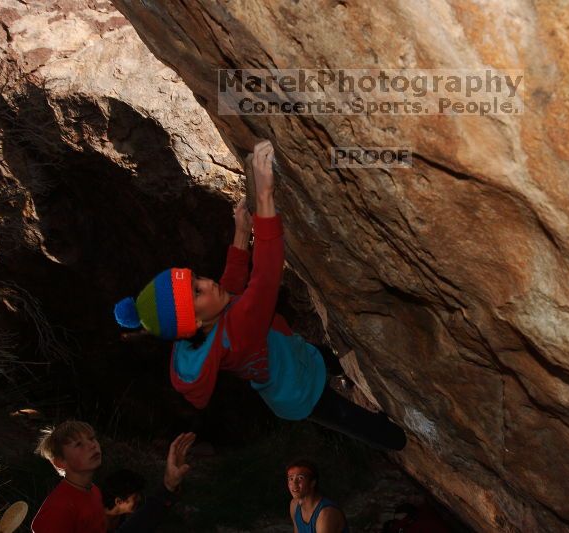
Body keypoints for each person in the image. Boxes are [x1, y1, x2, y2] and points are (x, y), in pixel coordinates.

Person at [113, 140, 406, 451]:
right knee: (369, 428)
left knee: (326, 359)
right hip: (300, 393)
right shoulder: (237, 332)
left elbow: (231, 283)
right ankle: (395, 439)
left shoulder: (204, 329)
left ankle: (343, 374)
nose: (208, 283)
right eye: (197, 291)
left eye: (197, 278)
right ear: (194, 321)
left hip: (293, 356)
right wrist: (265, 197)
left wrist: (241, 232)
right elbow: (265, 277)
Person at [31, 420, 194, 532]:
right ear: (60, 462)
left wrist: (168, 486)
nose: (92, 445)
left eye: (92, 438)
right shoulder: (58, 509)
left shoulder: (93, 491)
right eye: (79, 444)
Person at [286, 459, 348, 533]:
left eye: (300, 478)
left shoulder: (325, 514)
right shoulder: (294, 505)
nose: (294, 484)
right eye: (291, 479)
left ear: (312, 483)